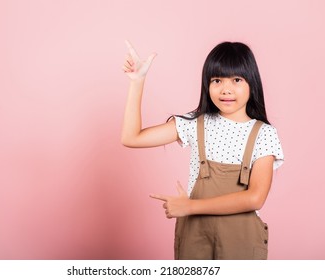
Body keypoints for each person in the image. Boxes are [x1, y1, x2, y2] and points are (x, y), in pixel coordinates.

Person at [121, 40, 284, 260]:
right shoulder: (194, 123)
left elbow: (255, 198)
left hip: (241, 241)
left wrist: (190, 207)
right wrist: (137, 82)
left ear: (251, 83)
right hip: (195, 239)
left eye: (236, 80)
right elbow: (132, 138)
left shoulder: (264, 134)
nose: (226, 89)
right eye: (217, 80)